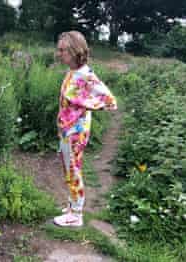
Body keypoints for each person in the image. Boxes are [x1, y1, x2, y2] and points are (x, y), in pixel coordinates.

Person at [54, 31, 117, 227]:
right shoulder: (72, 72)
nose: (59, 53)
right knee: (68, 169)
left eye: (63, 50)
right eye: (59, 49)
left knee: (73, 170)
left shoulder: (86, 75)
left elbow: (110, 101)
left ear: (75, 51)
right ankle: (72, 205)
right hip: (67, 129)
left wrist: (84, 103)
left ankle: (76, 215)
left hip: (76, 131)